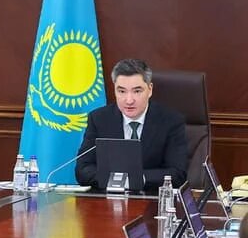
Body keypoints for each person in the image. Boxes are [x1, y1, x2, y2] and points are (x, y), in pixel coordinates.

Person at [74, 58, 187, 192]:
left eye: (137, 91)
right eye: (122, 91)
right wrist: (117, 180)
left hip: (151, 198)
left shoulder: (171, 121)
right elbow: (83, 169)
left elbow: (177, 173)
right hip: (108, 199)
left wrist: (137, 179)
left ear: (150, 89)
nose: (129, 100)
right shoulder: (99, 119)